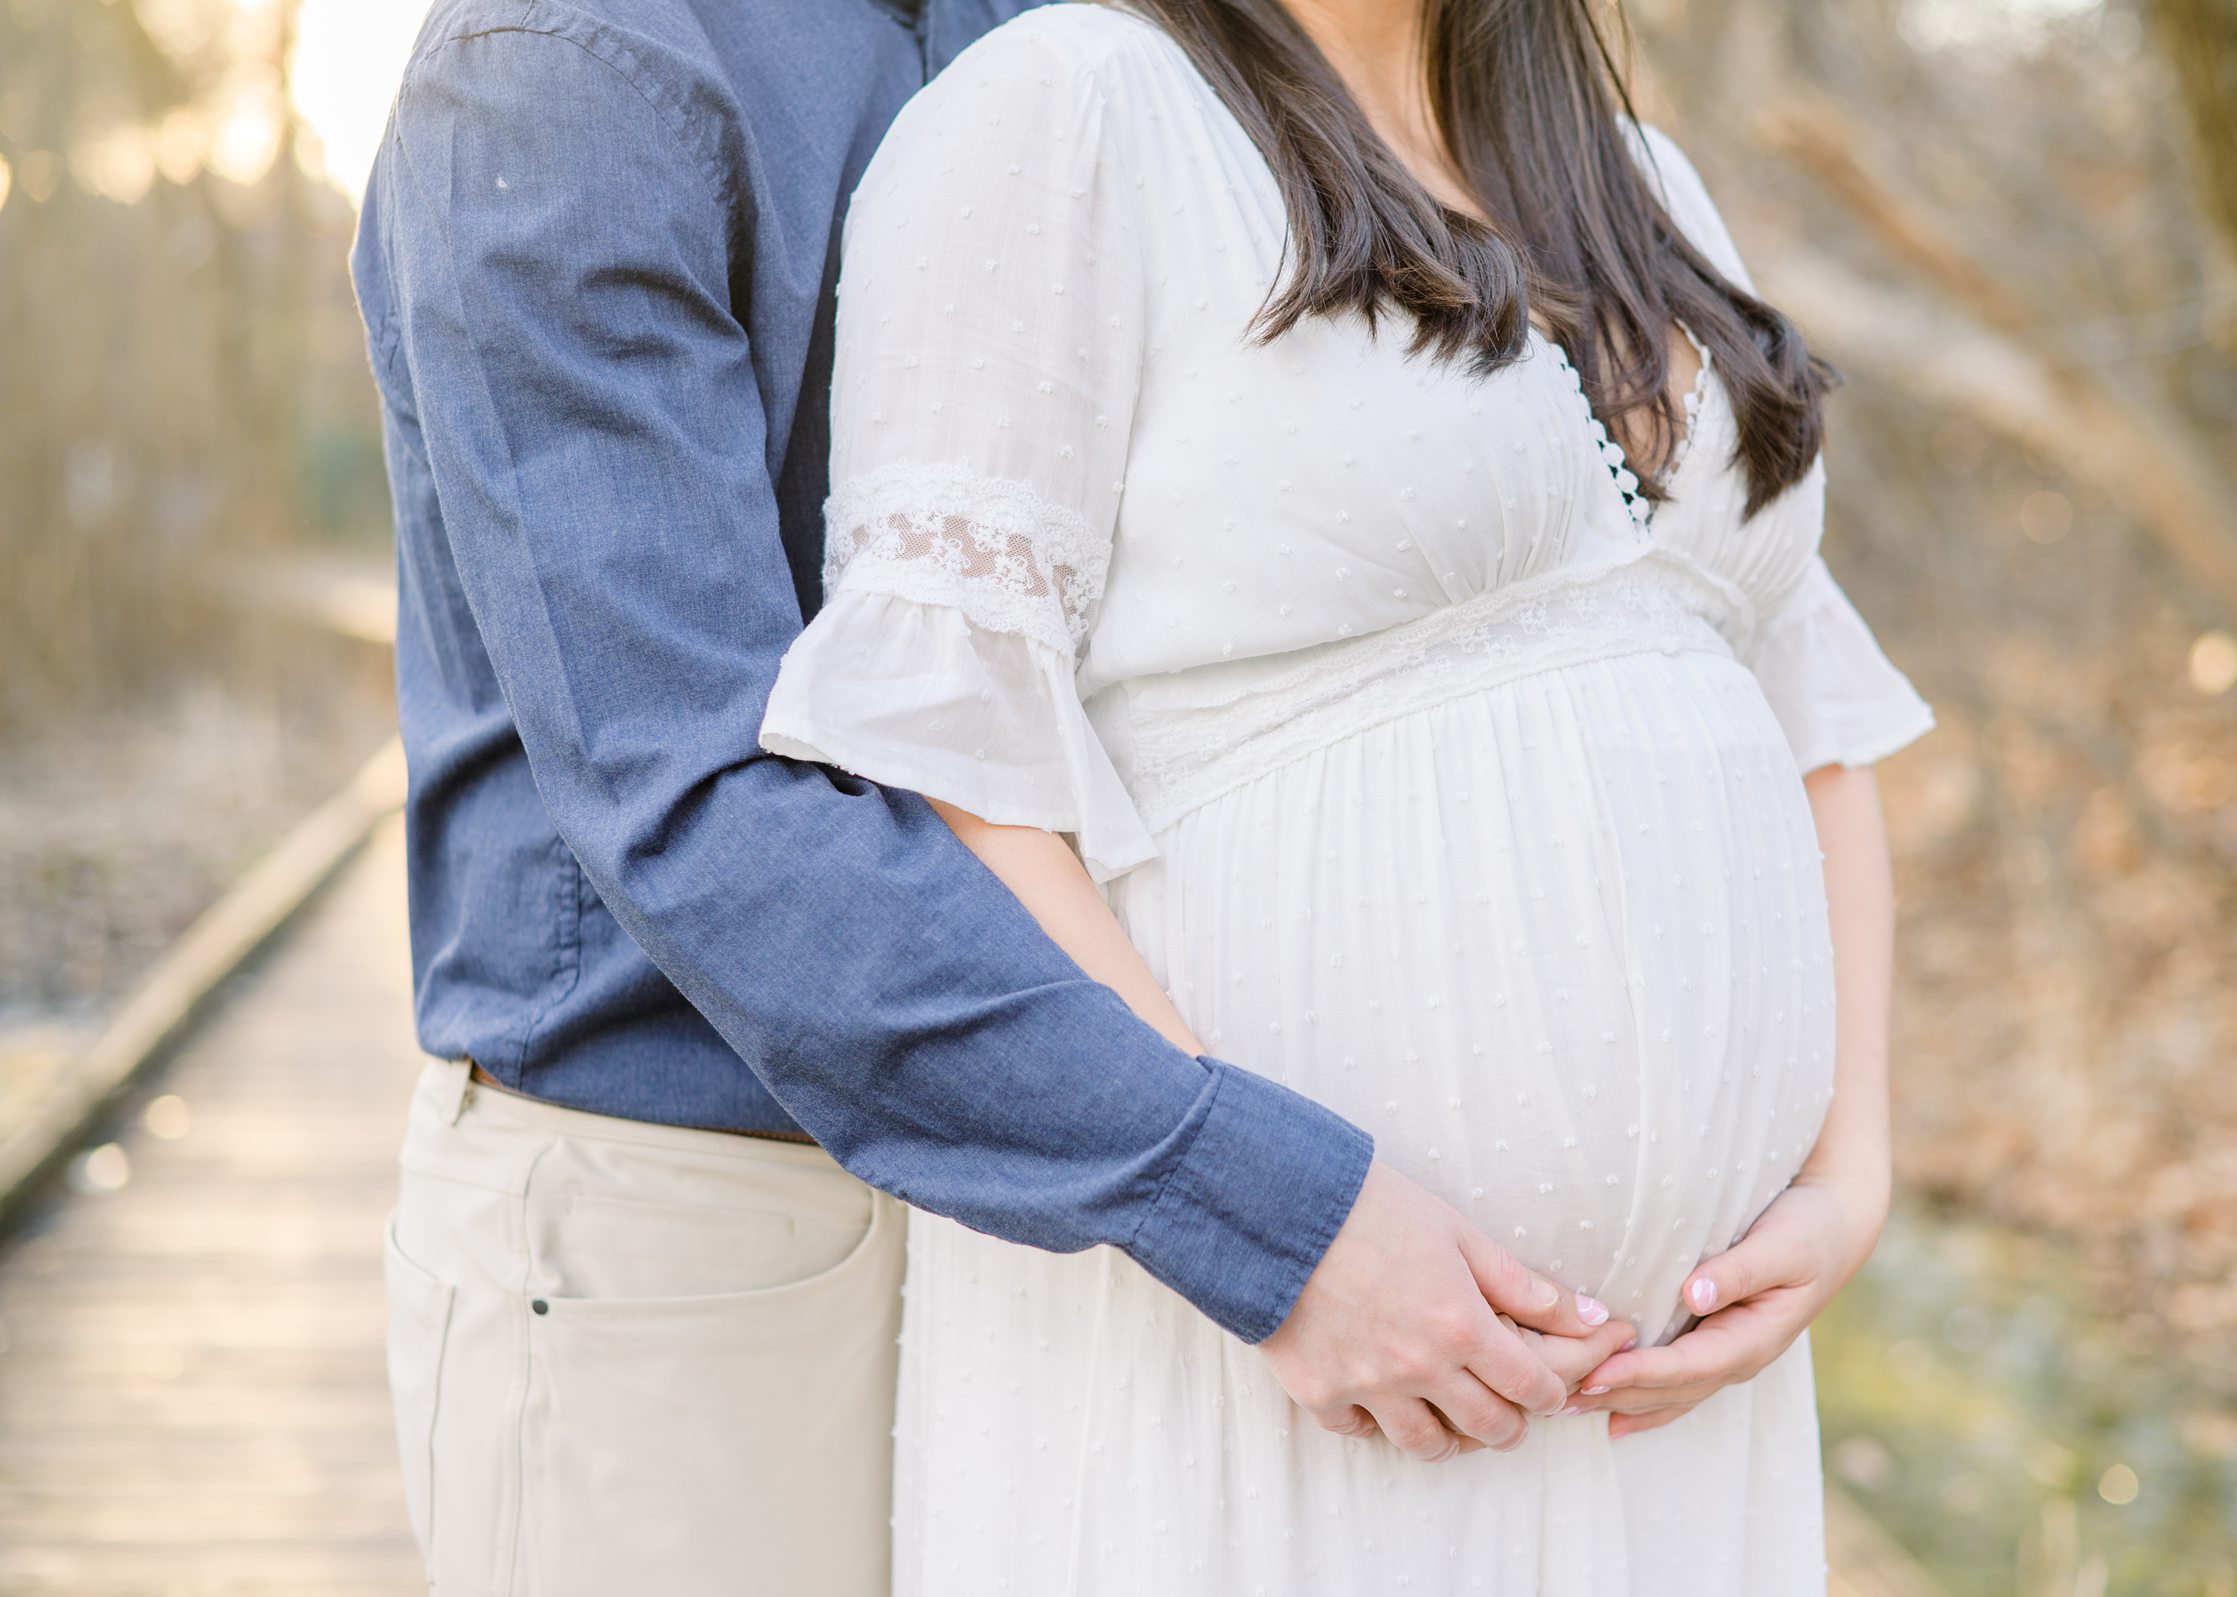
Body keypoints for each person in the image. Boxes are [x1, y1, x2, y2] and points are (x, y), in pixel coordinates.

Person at [349, 0, 1622, 1591]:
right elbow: (698, 796)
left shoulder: (1093, 34)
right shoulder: (564, 70)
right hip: (702, 1210)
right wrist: (1261, 1207)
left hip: (1088, 1212)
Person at [758, 0, 1936, 1589]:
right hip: (1274, 1351)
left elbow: (1813, 718)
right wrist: (1276, 1229)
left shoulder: (1636, 179)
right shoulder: (1069, 110)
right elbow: (949, 769)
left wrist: (1849, 1175)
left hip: (1676, 1398)